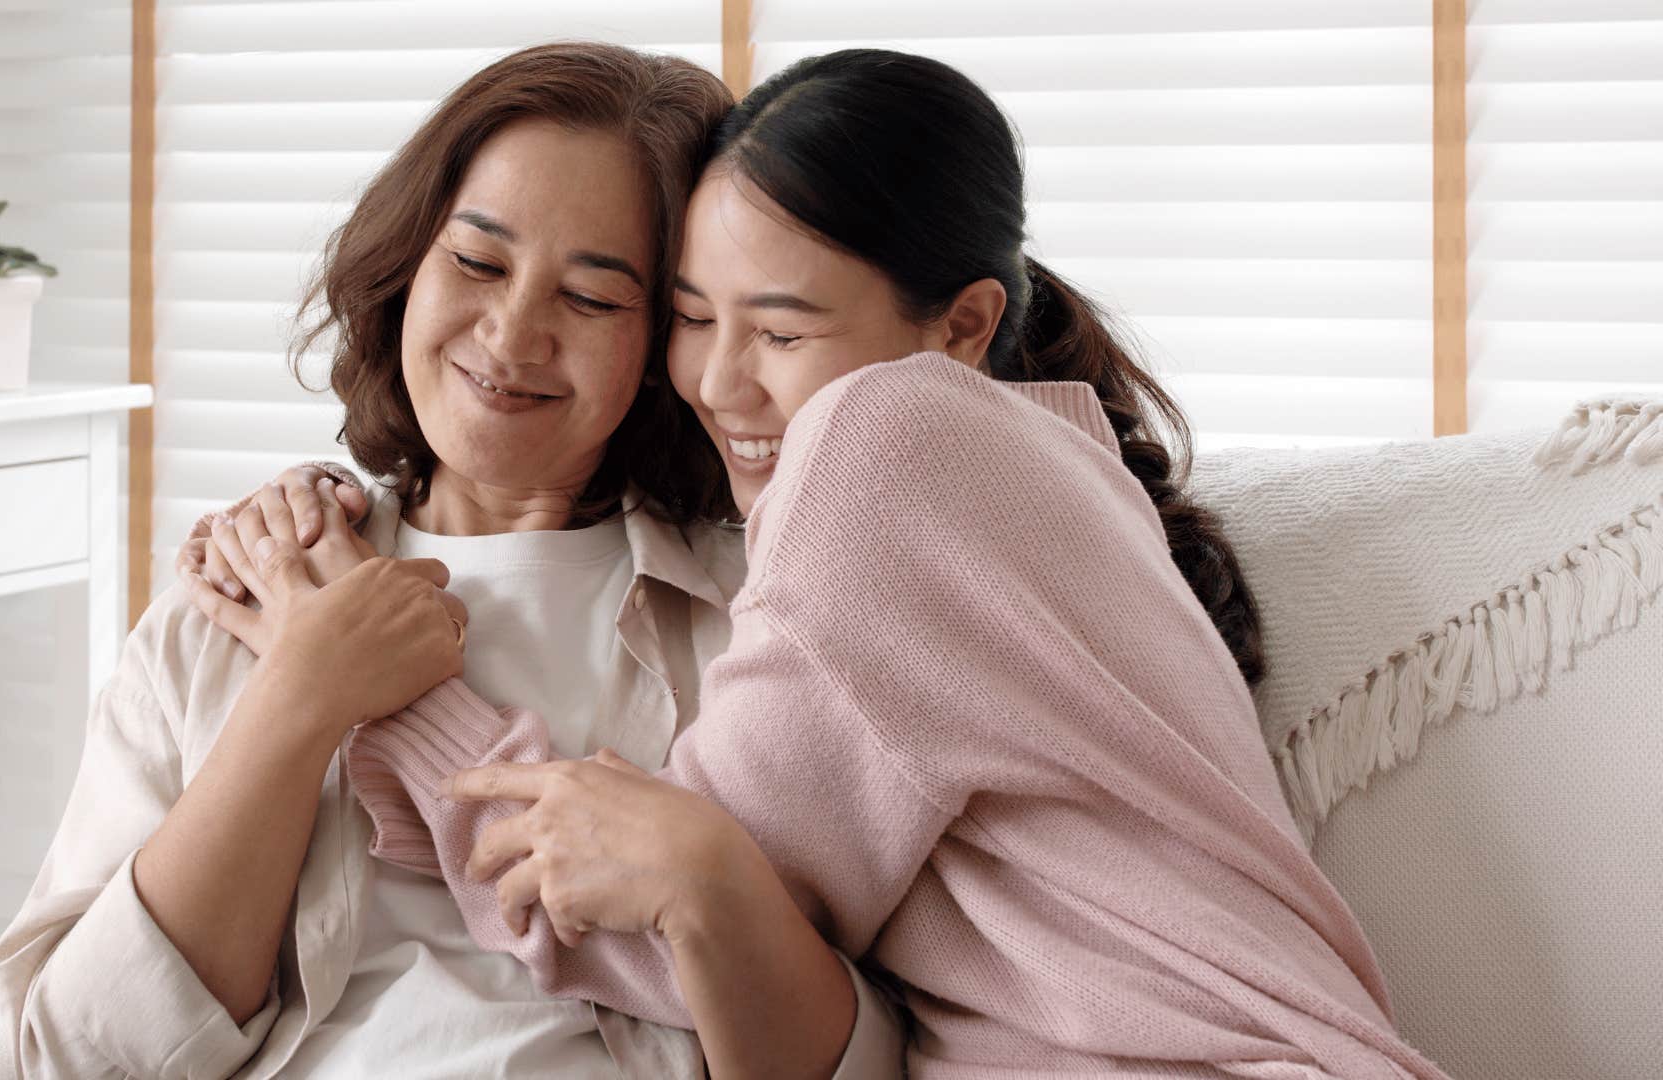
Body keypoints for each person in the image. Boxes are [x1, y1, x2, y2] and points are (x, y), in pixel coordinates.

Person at [192, 50, 1451, 1077]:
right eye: (691, 317)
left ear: (961, 326)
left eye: (781, 330)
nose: (719, 384)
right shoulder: (1041, 461)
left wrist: (361, 672)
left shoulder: (883, 445)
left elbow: (659, 920)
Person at [0, 42, 904, 1080]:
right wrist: (300, 695)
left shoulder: (766, 622)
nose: (511, 336)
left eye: (594, 299)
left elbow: (871, 1055)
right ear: (407, 263)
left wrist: (706, 883)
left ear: (665, 346)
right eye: (476, 263)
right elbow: (77, 1059)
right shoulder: (245, 587)